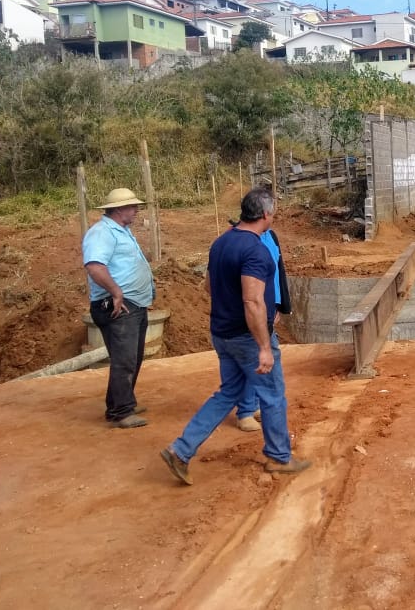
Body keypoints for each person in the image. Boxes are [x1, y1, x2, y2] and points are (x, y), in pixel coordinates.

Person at [160, 188, 310, 485]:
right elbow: (252, 301)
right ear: (266, 214)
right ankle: (279, 457)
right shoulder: (256, 251)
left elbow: (208, 287)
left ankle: (181, 450)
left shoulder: (221, 243)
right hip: (247, 338)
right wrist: (263, 346)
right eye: (274, 212)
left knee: (228, 392)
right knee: (272, 395)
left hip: (222, 333)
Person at [82, 188, 155, 429]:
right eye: (132, 206)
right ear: (119, 209)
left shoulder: (120, 230)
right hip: (118, 305)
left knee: (132, 357)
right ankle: (121, 411)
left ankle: (120, 404)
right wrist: (116, 291)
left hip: (132, 303)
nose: (136, 210)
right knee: (124, 359)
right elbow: (95, 266)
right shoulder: (102, 233)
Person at [234, 226, 292, 431]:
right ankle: (245, 412)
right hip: (253, 310)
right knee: (254, 358)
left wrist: (279, 305)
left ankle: (255, 404)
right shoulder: (243, 240)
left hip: (267, 308)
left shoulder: (271, 236)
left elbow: (277, 273)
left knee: (264, 359)